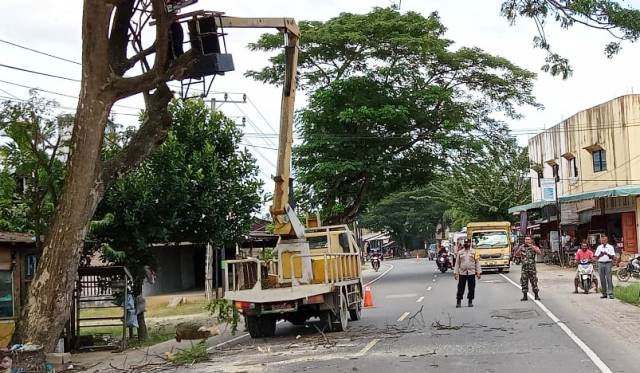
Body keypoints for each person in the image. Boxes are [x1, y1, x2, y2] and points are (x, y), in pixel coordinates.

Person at [513, 235, 542, 301]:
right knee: (524, 282)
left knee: (534, 281)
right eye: (526, 239)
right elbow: (516, 254)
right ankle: (525, 296)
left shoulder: (533, 247)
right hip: (524, 268)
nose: (527, 240)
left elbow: (539, 252)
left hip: (532, 268)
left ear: (531, 240)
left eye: (528, 239)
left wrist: (532, 246)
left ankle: (536, 295)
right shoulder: (522, 247)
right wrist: (519, 249)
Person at [454, 239, 481, 308]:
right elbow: (457, 263)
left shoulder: (474, 252)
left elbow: (477, 262)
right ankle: (458, 301)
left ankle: (470, 301)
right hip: (462, 273)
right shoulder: (460, 253)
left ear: (470, 243)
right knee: (460, 288)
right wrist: (456, 273)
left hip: (471, 273)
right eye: (465, 243)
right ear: (464, 244)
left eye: (468, 243)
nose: (467, 244)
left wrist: (478, 272)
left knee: (471, 288)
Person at [595, 234, 616, 299]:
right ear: (601, 240)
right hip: (600, 263)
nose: (603, 240)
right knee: (602, 279)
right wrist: (600, 255)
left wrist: (607, 254)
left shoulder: (610, 247)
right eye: (602, 239)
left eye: (605, 239)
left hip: (608, 263)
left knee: (609, 278)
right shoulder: (599, 247)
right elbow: (596, 257)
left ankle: (610, 293)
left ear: (607, 240)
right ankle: (604, 293)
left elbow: (613, 257)